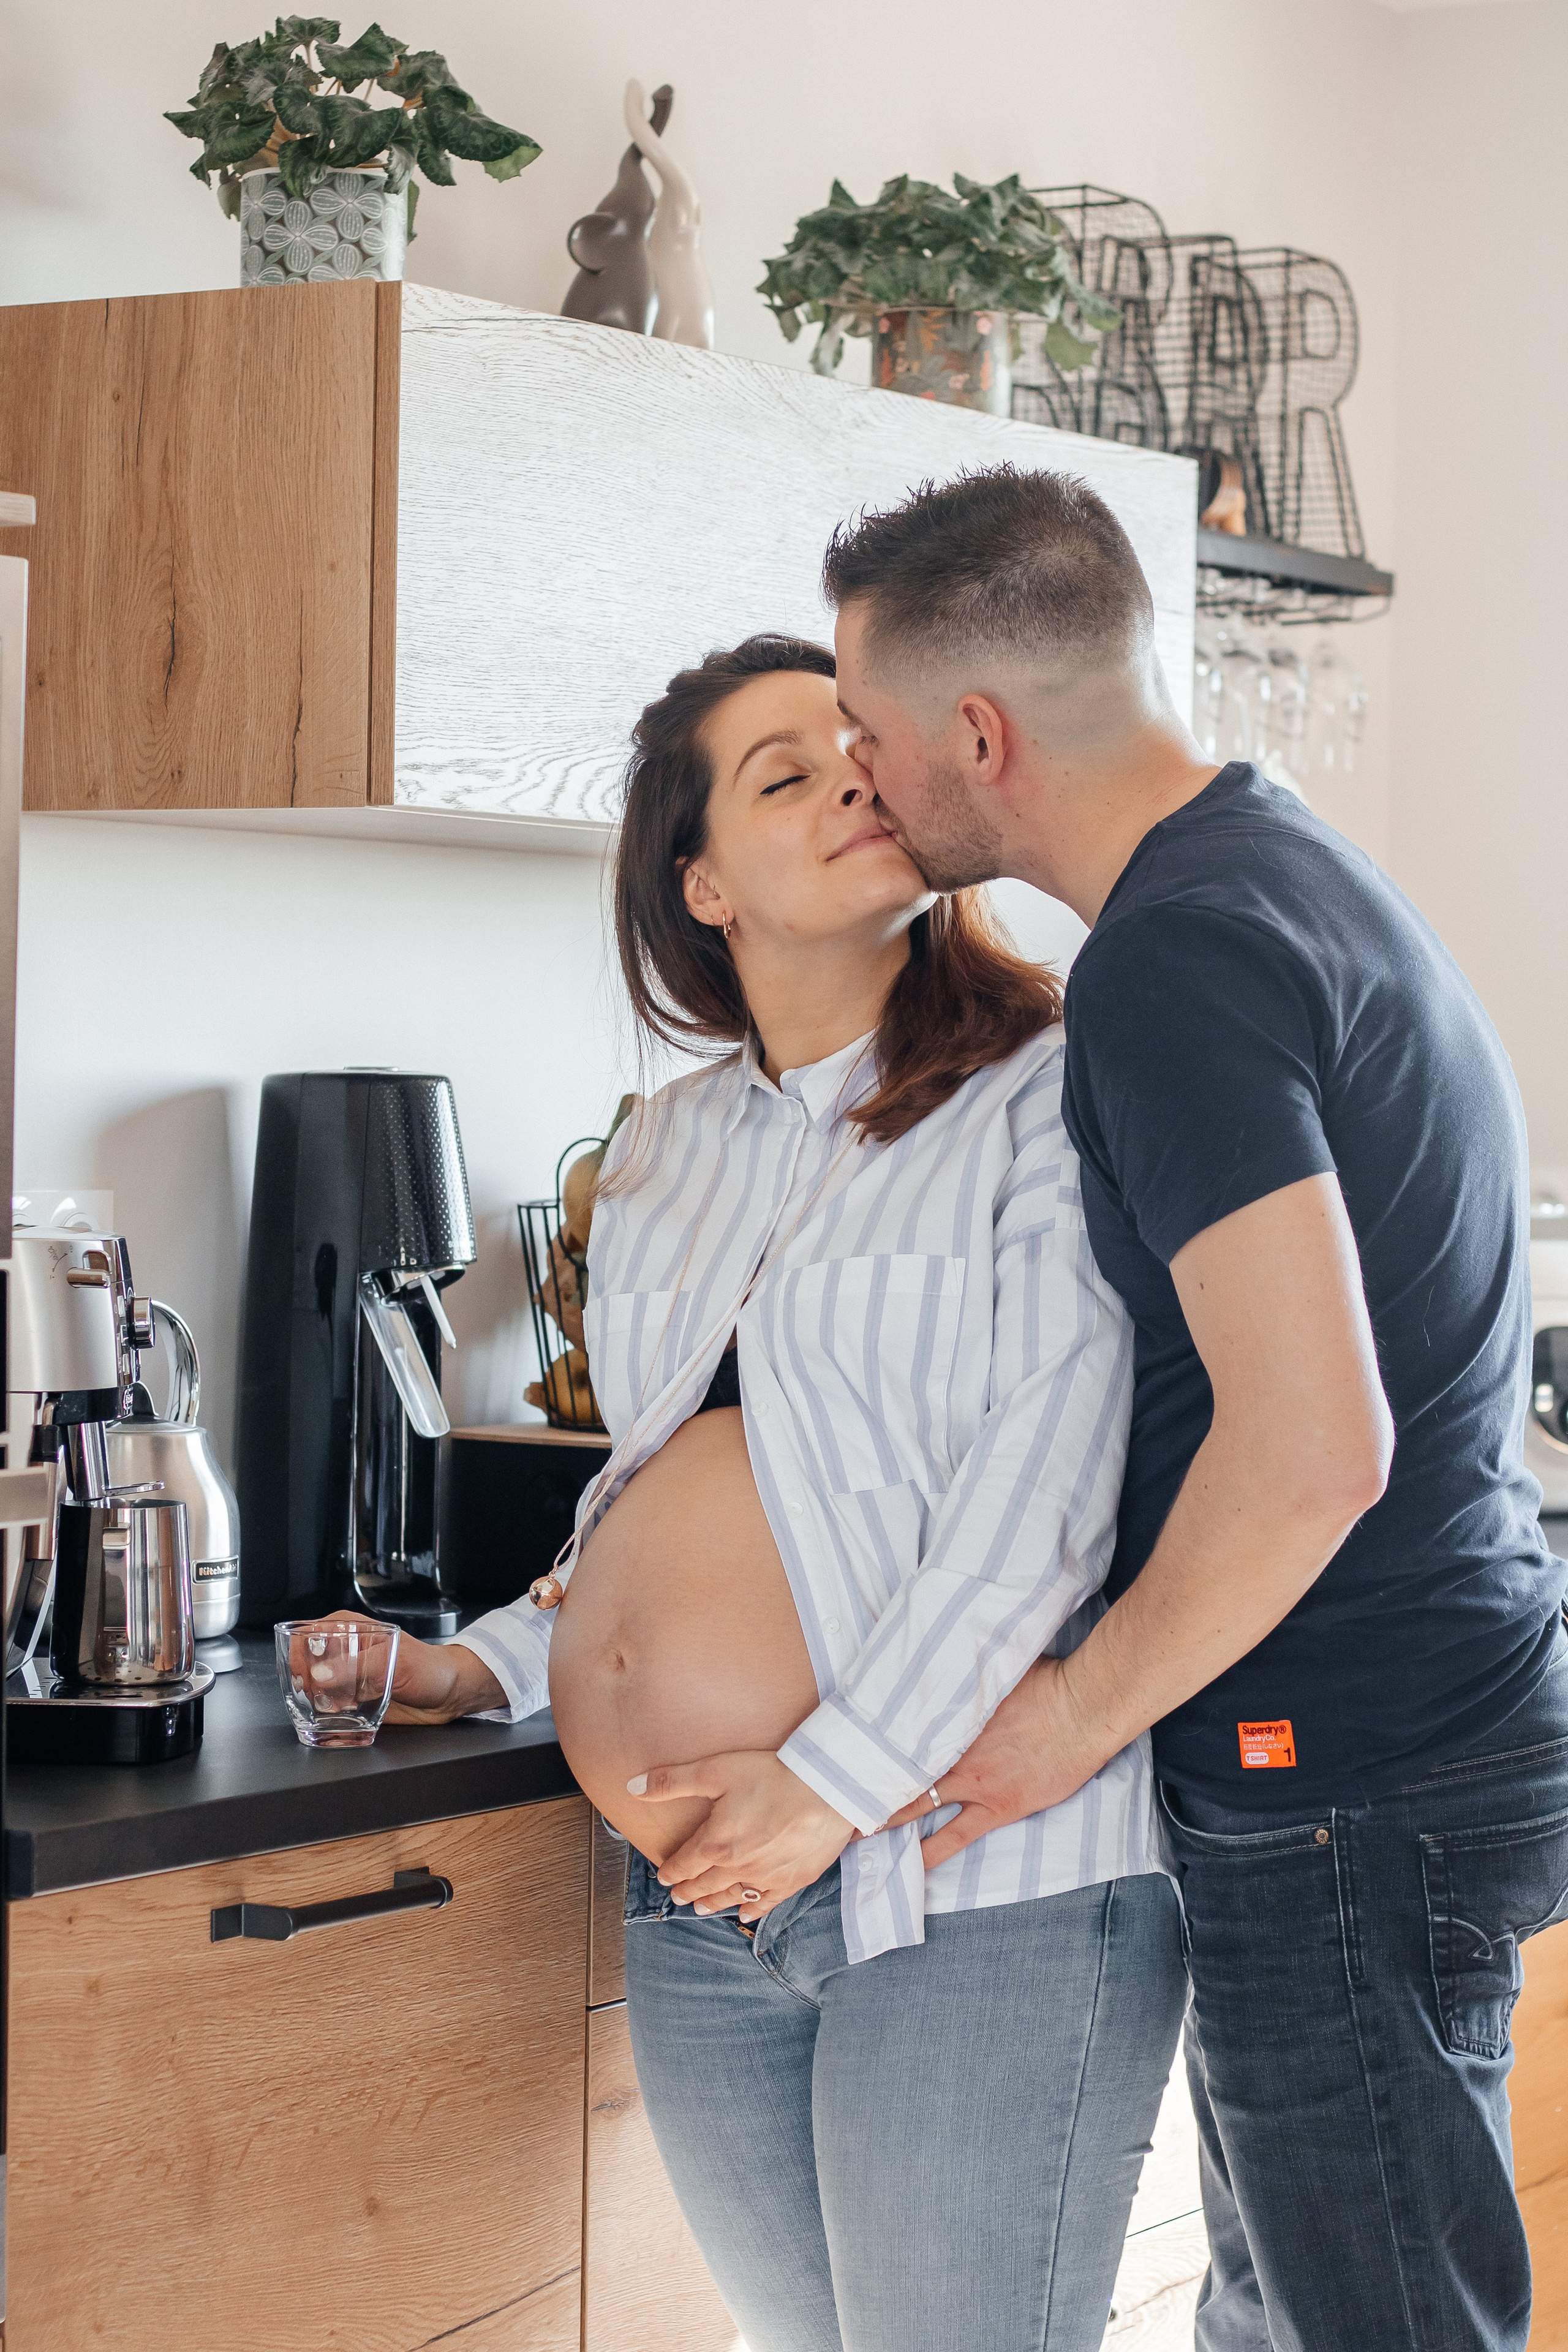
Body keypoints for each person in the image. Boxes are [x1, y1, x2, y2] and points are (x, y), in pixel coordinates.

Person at [327, 634, 1185, 2352]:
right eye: (786, 774)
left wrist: (825, 1785)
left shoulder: (1049, 1091)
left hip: (966, 1881)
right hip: (700, 1904)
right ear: (700, 881)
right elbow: (650, 1493)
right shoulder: (665, 1148)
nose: (852, 782)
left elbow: (1045, 1496)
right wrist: (482, 1664)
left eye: (858, 751)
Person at [796, 464, 1567, 2352]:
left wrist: (1066, 1715)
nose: (857, 782)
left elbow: (1314, 1447)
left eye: (868, 739)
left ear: (978, 730)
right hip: (1415, 1733)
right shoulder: (1277, 869)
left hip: (1350, 1767)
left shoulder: (1172, 962)